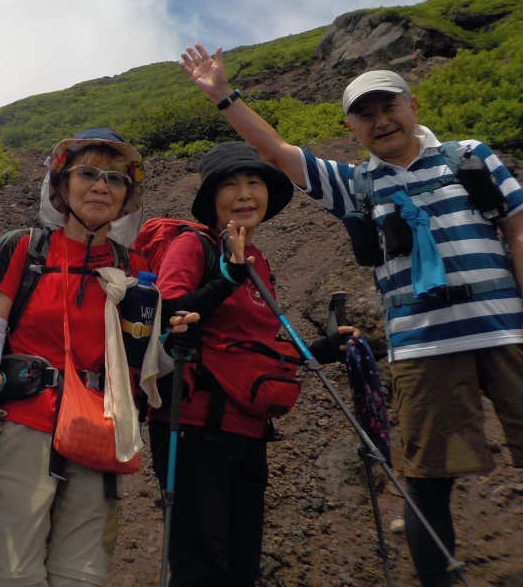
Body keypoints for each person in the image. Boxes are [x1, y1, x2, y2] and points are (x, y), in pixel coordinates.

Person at [182, 44, 523, 587]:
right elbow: (274, 150)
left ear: (412, 105)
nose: (380, 121)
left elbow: (517, 227)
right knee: (428, 479)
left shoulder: (471, 157)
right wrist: (224, 95)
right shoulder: (355, 185)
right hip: (422, 348)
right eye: (365, 114)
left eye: (389, 107)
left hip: (508, 330)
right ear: (351, 125)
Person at [0, 129, 191, 587]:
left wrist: (174, 343)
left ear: (128, 196)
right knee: (14, 574)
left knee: (82, 575)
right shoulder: (26, 248)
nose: (100, 186)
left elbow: (143, 359)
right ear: (61, 186)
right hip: (26, 417)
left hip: (100, 427)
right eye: (86, 173)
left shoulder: (134, 268)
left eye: (115, 178)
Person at [149, 141, 357, 587]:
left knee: (243, 563)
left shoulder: (258, 259)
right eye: (231, 185)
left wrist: (325, 348)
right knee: (202, 563)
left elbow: (255, 347)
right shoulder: (193, 245)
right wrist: (227, 276)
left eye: (254, 182)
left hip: (247, 427)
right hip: (192, 425)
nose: (245, 194)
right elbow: (168, 313)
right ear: (211, 200)